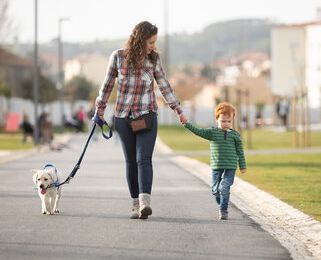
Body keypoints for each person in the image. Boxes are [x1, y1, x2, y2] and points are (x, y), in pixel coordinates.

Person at [92, 21, 187, 220]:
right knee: (130, 162)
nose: (153, 45)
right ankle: (135, 205)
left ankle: (145, 202)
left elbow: (164, 86)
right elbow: (107, 86)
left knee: (144, 158)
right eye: (150, 42)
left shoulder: (153, 59)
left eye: (154, 42)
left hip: (146, 116)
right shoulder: (118, 57)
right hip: (123, 117)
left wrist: (178, 109)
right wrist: (99, 111)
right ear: (140, 39)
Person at [183, 102, 247, 220]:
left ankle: (223, 210)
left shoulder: (235, 135)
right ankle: (221, 203)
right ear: (217, 119)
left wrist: (242, 166)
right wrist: (187, 124)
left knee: (224, 188)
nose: (226, 124)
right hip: (217, 166)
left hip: (230, 167)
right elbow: (198, 131)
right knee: (215, 191)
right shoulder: (212, 133)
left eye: (229, 121)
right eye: (223, 121)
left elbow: (240, 152)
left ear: (232, 120)